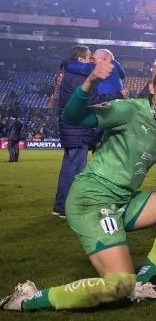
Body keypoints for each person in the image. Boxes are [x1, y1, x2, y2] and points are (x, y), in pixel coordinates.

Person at [1, 60, 156, 312]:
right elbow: (72, 117)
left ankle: (143, 279)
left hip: (126, 201)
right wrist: (90, 81)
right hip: (93, 200)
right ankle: (27, 300)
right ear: (152, 87)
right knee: (119, 286)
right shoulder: (129, 110)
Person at [51, 45, 95, 218]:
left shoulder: (70, 74)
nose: (91, 60)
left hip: (74, 129)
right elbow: (89, 100)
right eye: (89, 57)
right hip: (77, 128)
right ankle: (64, 206)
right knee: (74, 168)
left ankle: (63, 205)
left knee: (73, 167)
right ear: (81, 59)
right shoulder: (77, 77)